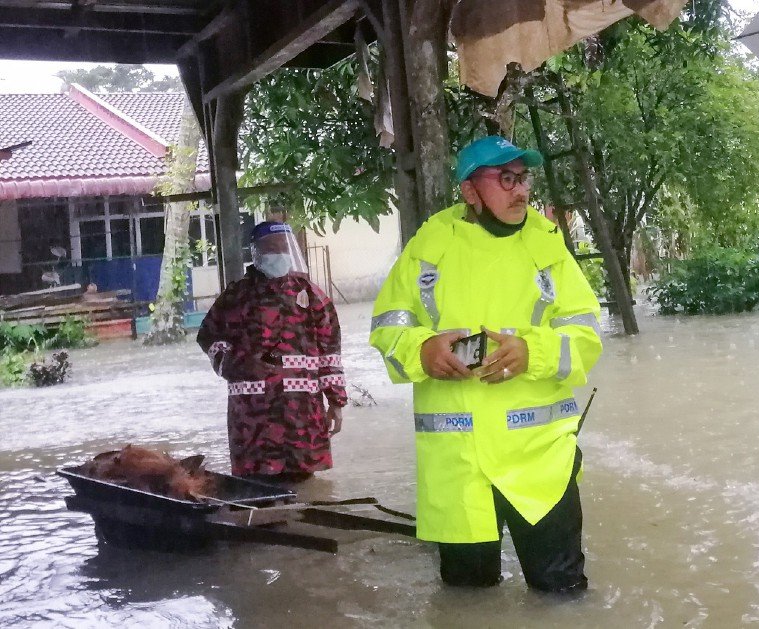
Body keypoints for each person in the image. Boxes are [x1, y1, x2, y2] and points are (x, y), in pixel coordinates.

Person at [369, 135, 603, 593]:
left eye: (524, 178)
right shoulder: (428, 246)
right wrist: (422, 350)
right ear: (470, 191)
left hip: (539, 459)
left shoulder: (548, 245)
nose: (521, 191)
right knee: (466, 598)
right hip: (457, 465)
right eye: (506, 179)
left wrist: (531, 353)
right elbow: (386, 326)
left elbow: (586, 335)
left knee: (562, 594)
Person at [197, 220, 346, 483]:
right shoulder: (237, 297)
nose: (279, 255)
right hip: (253, 420)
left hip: (302, 417)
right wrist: (238, 365)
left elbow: (330, 352)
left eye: (283, 248)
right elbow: (209, 337)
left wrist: (336, 402)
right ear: (256, 254)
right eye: (271, 249)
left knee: (305, 489)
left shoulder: (311, 296)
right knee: (256, 486)